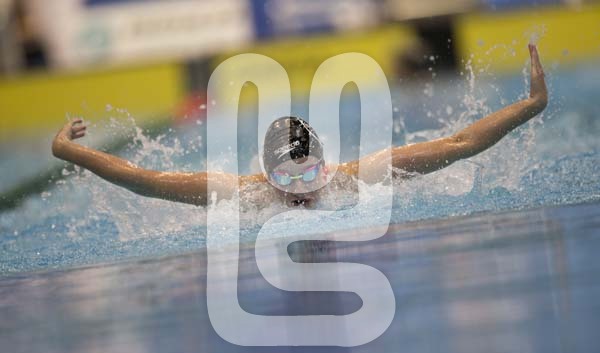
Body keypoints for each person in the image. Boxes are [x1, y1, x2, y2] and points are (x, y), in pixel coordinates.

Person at [52, 45, 547, 209]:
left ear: (325, 165)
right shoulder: (242, 194)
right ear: (267, 174)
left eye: (309, 174)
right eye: (287, 178)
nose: (301, 191)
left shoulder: (360, 177)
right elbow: (146, 180)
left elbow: (460, 143)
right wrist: (68, 151)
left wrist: (530, 105)